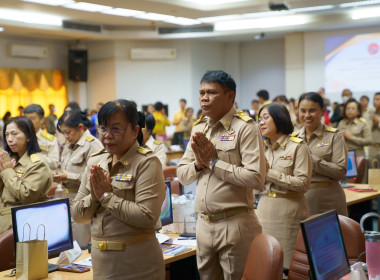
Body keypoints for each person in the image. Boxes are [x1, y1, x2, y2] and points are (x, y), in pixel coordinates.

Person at [177, 71, 265, 280]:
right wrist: (199, 164)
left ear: (229, 96)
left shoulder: (245, 127)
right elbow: (182, 174)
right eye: (201, 93)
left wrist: (214, 163)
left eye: (211, 92)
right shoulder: (199, 128)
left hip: (235, 223)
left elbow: (256, 178)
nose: (204, 98)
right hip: (203, 224)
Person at [72, 100, 165, 280]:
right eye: (103, 128)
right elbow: (78, 216)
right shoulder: (95, 162)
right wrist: (94, 198)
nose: (107, 135)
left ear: (135, 131)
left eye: (116, 129)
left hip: (137, 264)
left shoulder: (147, 163)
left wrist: (106, 196)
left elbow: (146, 216)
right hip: (101, 264)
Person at [257, 103, 312, 270]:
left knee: (286, 266)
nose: (261, 122)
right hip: (263, 210)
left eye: (266, 118)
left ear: (279, 119)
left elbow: (302, 184)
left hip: (288, 213)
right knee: (266, 265)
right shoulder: (261, 149)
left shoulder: (297, 146)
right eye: (259, 119)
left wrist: (269, 173)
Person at [54, 109, 103, 247]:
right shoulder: (68, 146)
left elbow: (95, 177)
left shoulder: (93, 144)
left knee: (81, 247)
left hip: (85, 204)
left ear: (80, 127)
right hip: (67, 201)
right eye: (63, 132)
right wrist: (59, 176)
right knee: (70, 247)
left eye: (68, 132)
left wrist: (68, 176)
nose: (65, 136)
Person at [295, 92, 348, 216]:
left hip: (329, 200)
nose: (307, 115)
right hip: (299, 199)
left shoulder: (334, 136)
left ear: (322, 111)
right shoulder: (292, 138)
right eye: (303, 111)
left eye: (312, 111)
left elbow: (340, 171)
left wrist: (310, 159)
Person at [0, 117, 52, 234]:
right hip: (5, 220)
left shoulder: (37, 163)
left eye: (14, 134)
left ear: (28, 136)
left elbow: (26, 195)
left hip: (23, 223)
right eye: (7, 134)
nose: (9, 139)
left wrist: (7, 172)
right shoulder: (11, 159)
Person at [24, 104, 60, 170]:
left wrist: (36, 154)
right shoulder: (20, 137)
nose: (28, 122)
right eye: (26, 119)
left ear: (42, 120)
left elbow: (54, 164)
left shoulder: (50, 139)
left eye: (32, 118)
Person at [369, 92, 380, 167]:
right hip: (372, 148)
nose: (374, 101)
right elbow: (365, 130)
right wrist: (373, 125)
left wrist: (378, 123)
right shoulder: (370, 114)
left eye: (378, 99)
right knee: (372, 173)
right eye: (374, 99)